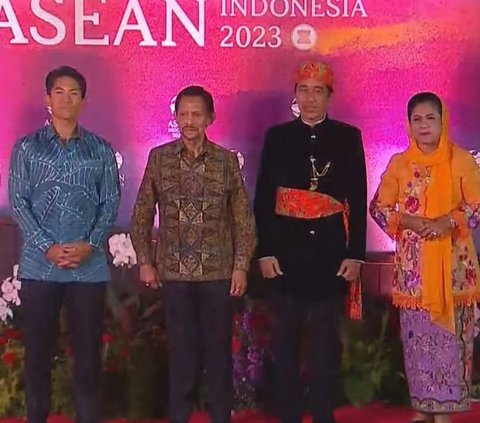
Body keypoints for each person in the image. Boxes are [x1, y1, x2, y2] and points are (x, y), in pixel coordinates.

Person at [130, 85, 256, 423]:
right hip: (174, 276)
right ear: (175, 117)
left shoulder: (226, 162)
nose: (189, 121)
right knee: (181, 358)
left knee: (218, 359)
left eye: (196, 114)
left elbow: (243, 219)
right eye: (183, 114)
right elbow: (142, 212)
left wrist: (241, 266)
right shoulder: (160, 158)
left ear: (210, 118)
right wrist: (145, 260)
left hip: (217, 276)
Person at [253, 62, 367, 423]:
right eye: (304, 89)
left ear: (330, 96)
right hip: (286, 254)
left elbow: (358, 198)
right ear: (295, 95)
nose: (310, 98)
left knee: (325, 347)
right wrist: (266, 250)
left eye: (318, 90)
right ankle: (288, 413)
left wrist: (355, 255)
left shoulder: (348, 137)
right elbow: (264, 198)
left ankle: (322, 414)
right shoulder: (278, 137)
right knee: (284, 344)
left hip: (330, 255)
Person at [8, 65, 121, 423]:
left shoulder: (100, 150)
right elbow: (18, 201)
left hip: (88, 270)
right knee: (38, 356)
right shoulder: (27, 148)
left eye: (74, 93)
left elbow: (111, 201)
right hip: (40, 267)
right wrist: (47, 246)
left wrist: (89, 244)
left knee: (87, 358)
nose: (66, 98)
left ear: (83, 101)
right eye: (59, 92)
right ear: (47, 98)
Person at [370, 92, 480, 423]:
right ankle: (421, 406)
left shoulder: (460, 160)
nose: (424, 125)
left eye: (430, 118)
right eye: (417, 119)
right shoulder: (399, 164)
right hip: (414, 271)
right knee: (419, 342)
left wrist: (449, 221)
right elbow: (378, 207)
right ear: (408, 125)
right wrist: (409, 221)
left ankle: (444, 411)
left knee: (451, 341)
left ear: (442, 121)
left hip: (454, 270)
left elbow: (476, 205)